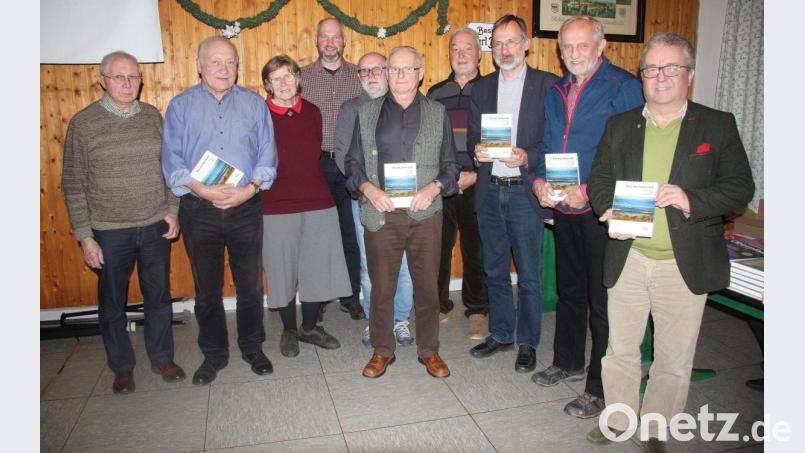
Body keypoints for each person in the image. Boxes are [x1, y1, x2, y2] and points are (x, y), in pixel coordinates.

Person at [585, 33, 754, 449]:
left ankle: (658, 426)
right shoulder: (620, 125)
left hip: (684, 261)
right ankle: (620, 418)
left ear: (689, 74)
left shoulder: (717, 124)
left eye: (671, 67)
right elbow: (600, 180)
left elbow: (739, 188)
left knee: (673, 356)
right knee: (619, 348)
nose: (660, 77)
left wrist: (690, 198)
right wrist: (608, 211)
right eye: (651, 69)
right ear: (642, 75)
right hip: (630, 255)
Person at [530, 15, 644, 418]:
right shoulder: (556, 89)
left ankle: (600, 386)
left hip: (602, 210)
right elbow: (547, 142)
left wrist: (593, 192)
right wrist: (540, 179)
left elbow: (632, 154)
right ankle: (567, 360)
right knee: (570, 289)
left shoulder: (625, 87)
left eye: (582, 45)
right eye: (567, 47)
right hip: (563, 206)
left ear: (601, 45)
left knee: (603, 297)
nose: (574, 54)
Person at [62, 51, 186, 394]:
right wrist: (86, 237)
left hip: (154, 224)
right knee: (112, 301)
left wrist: (173, 210)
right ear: (102, 80)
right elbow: (73, 183)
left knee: (158, 296)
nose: (127, 83)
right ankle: (122, 366)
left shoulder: (151, 117)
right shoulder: (84, 124)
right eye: (119, 77)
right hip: (109, 229)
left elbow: (170, 168)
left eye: (133, 76)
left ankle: (162, 357)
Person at [161, 36, 278, 385]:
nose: (224, 69)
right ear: (199, 65)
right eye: (215, 62)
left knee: (251, 286)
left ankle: (253, 347)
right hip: (199, 209)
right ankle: (214, 355)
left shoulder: (255, 104)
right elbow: (172, 159)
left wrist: (248, 191)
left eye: (231, 62)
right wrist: (201, 188)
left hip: (245, 207)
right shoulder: (180, 106)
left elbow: (267, 155)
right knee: (207, 290)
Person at [345, 46, 460, 379]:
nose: (399, 75)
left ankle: (429, 351)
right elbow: (352, 163)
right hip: (382, 214)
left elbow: (451, 166)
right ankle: (383, 350)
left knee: (426, 286)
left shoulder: (437, 112)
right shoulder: (366, 113)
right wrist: (368, 189)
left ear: (420, 72)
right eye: (393, 69)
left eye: (407, 69)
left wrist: (433, 187)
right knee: (381, 286)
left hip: (425, 214)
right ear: (385, 72)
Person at [466, 15, 558, 373]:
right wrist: (477, 150)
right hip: (490, 191)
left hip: (525, 192)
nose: (504, 50)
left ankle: (528, 341)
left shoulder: (548, 85)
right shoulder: (483, 87)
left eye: (511, 42)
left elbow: (553, 138)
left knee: (530, 275)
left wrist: (528, 156)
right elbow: (474, 135)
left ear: (526, 44)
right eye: (498, 44)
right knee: (495, 270)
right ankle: (503, 333)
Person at [260, 55, 351, 357]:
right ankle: (288, 329)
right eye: (276, 78)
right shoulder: (259, 114)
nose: (284, 83)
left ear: (298, 78)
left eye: (289, 76)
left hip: (317, 201)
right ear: (267, 85)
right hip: (275, 204)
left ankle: (309, 327)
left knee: (318, 268)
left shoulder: (312, 111)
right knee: (281, 269)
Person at [333, 52, 415, 348]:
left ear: (389, 71)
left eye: (377, 69)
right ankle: (374, 321)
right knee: (370, 265)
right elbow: (343, 157)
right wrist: (370, 189)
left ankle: (401, 319)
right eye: (364, 71)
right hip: (366, 201)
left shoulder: (406, 103)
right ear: (358, 77)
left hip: (404, 199)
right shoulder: (350, 109)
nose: (371, 75)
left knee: (404, 262)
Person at [427, 27, 489, 339]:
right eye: (455, 48)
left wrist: (477, 173)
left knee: (475, 249)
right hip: (443, 183)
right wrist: (445, 178)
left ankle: (477, 309)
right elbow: (428, 142)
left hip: (479, 180)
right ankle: (438, 304)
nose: (461, 54)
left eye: (468, 48)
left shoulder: (492, 89)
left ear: (479, 54)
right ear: (449, 54)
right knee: (437, 247)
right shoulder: (435, 93)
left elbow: (500, 140)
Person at [301, 17, 364, 320]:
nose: (330, 42)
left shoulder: (359, 75)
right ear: (317, 41)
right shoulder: (302, 77)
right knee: (318, 235)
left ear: (343, 41)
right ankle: (320, 295)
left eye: (335, 37)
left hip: (351, 163)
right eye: (324, 37)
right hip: (316, 164)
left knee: (350, 232)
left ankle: (351, 295)